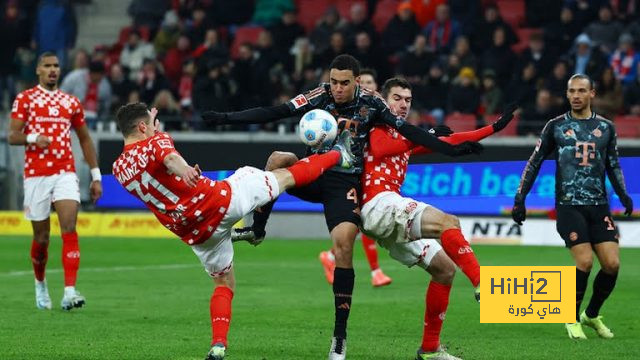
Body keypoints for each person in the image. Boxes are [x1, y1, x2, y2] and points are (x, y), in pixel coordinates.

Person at [202, 54, 483, 360]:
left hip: (344, 184)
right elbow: (276, 111)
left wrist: (448, 149)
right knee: (277, 159)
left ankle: (339, 338)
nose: (337, 88)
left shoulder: (372, 104)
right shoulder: (319, 94)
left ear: (356, 81)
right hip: (313, 171)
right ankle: (257, 229)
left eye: (344, 83)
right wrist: (227, 118)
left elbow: (409, 132)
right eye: (334, 81)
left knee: (344, 247)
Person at [112, 103, 356, 360]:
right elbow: (171, 159)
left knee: (224, 283)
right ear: (142, 127)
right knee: (283, 175)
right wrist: (183, 169)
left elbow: (151, 163)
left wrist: (152, 131)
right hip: (220, 202)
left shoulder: (119, 169)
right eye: (150, 125)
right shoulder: (156, 142)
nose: (155, 128)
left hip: (196, 234)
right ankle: (340, 155)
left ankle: (218, 345)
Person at [361, 77, 515, 359]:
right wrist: (425, 135)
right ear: (384, 100)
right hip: (377, 204)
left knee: (444, 269)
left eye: (408, 100)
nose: (403, 105)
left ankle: (430, 349)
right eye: (397, 98)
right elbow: (382, 149)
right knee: (448, 222)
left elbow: (450, 139)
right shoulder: (375, 124)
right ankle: (483, 283)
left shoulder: (404, 136)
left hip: (387, 217)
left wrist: (493, 128)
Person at [512, 74, 634, 340]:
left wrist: (624, 195)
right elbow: (534, 162)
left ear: (592, 93)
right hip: (568, 206)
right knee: (585, 261)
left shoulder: (606, 128)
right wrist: (520, 197)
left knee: (612, 264)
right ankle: (570, 317)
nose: (576, 95)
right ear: (567, 95)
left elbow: (613, 164)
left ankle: (590, 315)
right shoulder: (555, 127)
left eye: (581, 90)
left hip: (599, 206)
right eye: (572, 91)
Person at [8, 52, 102, 311]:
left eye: (56, 66)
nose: (52, 70)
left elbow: (84, 138)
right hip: (36, 174)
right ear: (38, 70)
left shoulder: (70, 102)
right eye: (47, 66)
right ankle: (40, 284)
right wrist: (32, 138)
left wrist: (95, 176)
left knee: (69, 226)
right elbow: (12, 136)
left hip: (64, 172)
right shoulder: (25, 99)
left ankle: (69, 292)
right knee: (42, 237)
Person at [318, 67, 393, 287]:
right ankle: (375, 271)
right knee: (361, 217)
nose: (368, 86)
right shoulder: (352, 111)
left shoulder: (377, 109)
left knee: (362, 219)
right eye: (364, 83)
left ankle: (331, 256)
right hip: (355, 171)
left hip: (370, 170)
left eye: (372, 83)